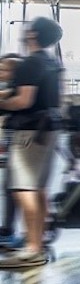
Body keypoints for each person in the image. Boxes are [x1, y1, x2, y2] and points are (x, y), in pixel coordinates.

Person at [0, 18, 64, 269]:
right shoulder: (52, 63)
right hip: (48, 131)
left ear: (33, 34)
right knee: (38, 190)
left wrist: (3, 103)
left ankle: (32, 250)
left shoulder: (30, 63)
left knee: (24, 190)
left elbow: (23, 101)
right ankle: (37, 242)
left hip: (29, 133)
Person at [0, 53, 24, 248]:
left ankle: (8, 230)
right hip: (11, 142)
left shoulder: (17, 89)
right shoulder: (10, 87)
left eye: (4, 69)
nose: (1, 73)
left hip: (18, 143)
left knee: (12, 186)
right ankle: (8, 228)